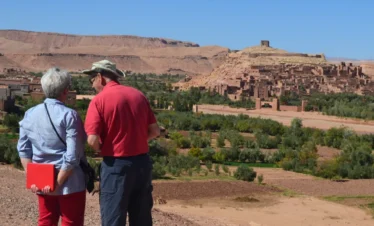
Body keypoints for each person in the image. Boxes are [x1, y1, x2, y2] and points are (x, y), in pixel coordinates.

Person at [82, 60, 160, 226]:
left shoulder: (98, 101)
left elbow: (92, 140)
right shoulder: (139, 96)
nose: (92, 84)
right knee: (142, 220)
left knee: (113, 219)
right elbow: (155, 131)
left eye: (92, 80)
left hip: (116, 166)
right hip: (142, 165)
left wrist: (104, 148)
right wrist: (135, 140)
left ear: (100, 77)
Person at [17, 67, 87, 226]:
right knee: (71, 222)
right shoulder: (69, 115)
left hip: (42, 181)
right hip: (70, 183)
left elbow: (23, 150)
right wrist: (58, 183)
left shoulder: (30, 113)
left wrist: (34, 179)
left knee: (46, 221)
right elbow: (72, 156)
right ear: (65, 90)